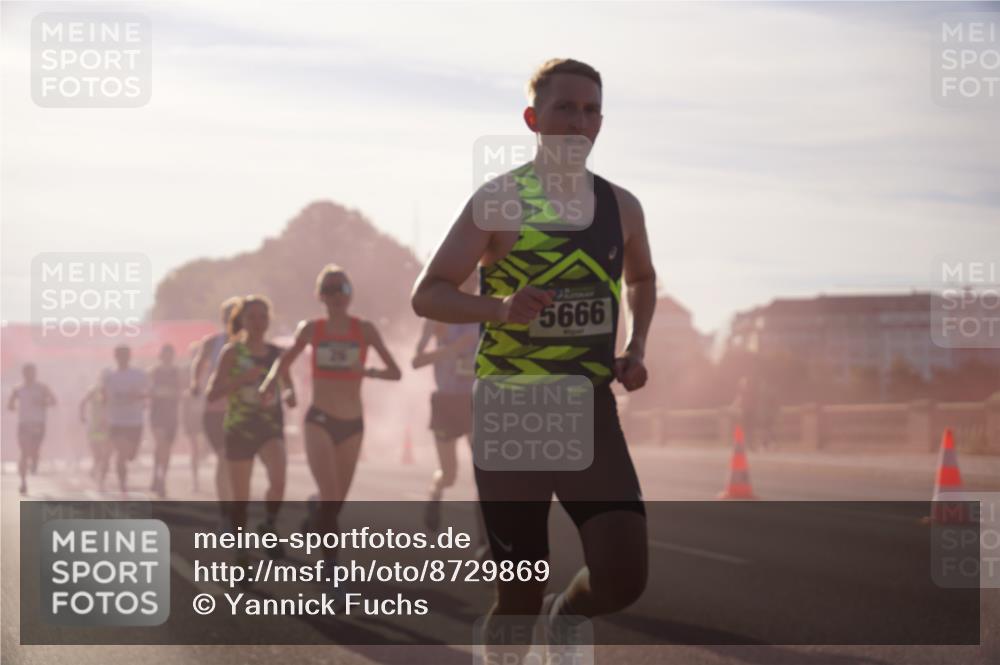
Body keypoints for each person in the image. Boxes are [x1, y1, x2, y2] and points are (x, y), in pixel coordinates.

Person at [411, 58, 656, 661]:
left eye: (591, 109)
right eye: (564, 108)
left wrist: (636, 346)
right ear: (533, 119)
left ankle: (568, 613)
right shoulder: (500, 201)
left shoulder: (621, 206)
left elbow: (643, 278)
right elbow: (429, 293)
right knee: (518, 594)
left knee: (624, 578)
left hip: (588, 408)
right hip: (511, 412)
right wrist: (500, 308)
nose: (580, 120)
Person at [261, 265, 402, 572]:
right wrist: (278, 389)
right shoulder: (311, 329)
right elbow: (281, 365)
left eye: (343, 289)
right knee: (330, 495)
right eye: (330, 289)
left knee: (334, 505)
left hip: (352, 424)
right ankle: (332, 573)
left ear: (351, 293)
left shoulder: (364, 330)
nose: (338, 295)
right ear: (320, 296)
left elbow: (396, 372)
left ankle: (316, 516)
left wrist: (367, 371)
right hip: (319, 420)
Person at [207, 295, 294, 561]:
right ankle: (241, 551)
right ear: (242, 320)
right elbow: (212, 393)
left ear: (270, 320)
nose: (258, 322)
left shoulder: (276, 354)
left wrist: (289, 395)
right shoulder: (232, 353)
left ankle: (268, 523)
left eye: (263, 317)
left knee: (278, 480)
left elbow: (289, 387)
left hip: (269, 427)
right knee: (241, 498)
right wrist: (241, 380)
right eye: (252, 317)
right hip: (240, 429)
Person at [412, 275, 488, 555]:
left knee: (485, 472)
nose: (469, 282)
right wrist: (451, 350)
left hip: (476, 399)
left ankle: (484, 542)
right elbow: (416, 361)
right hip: (445, 402)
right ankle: (435, 491)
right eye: (464, 275)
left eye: (473, 277)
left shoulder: (485, 312)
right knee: (450, 474)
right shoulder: (436, 317)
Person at [191, 298, 240, 510]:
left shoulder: (249, 344)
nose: (234, 320)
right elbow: (199, 363)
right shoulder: (212, 342)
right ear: (223, 319)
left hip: (242, 411)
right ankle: (226, 511)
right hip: (215, 410)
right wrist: (194, 383)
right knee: (223, 456)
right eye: (230, 316)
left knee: (235, 463)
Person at [101, 345, 149, 493]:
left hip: (135, 421)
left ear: (129, 357)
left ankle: (120, 478)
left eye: (125, 355)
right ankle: (123, 485)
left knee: (131, 456)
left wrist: (137, 396)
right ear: (115, 357)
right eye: (120, 355)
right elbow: (103, 398)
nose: (122, 358)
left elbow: (148, 392)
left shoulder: (139, 374)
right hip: (117, 421)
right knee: (121, 455)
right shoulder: (109, 376)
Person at [7, 363, 57, 494]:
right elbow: (10, 405)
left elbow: (54, 401)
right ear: (23, 374)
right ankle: (23, 483)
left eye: (32, 372)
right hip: (23, 424)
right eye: (27, 373)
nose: (29, 375)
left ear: (35, 373)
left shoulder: (42, 387)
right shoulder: (18, 388)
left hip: (38, 423)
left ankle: (35, 459)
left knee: (34, 451)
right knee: (23, 453)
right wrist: (12, 406)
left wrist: (43, 402)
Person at [149, 343, 182, 497]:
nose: (167, 357)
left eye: (170, 354)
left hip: (171, 416)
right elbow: (147, 391)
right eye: (165, 354)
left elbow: (181, 392)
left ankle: (160, 476)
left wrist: (173, 394)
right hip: (157, 415)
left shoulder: (177, 372)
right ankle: (159, 480)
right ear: (161, 356)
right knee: (161, 445)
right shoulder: (153, 371)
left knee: (165, 449)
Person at [180, 347, 205, 492]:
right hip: (193, 420)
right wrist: (184, 422)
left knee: (200, 449)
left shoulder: (211, 374)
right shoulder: (188, 378)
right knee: (195, 450)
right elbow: (184, 405)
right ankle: (195, 480)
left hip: (208, 417)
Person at [79, 381, 110, 485]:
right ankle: (96, 470)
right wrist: (82, 416)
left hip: (109, 427)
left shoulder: (114, 389)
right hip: (95, 426)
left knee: (106, 454)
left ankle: (101, 475)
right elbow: (82, 402)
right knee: (98, 454)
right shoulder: (94, 390)